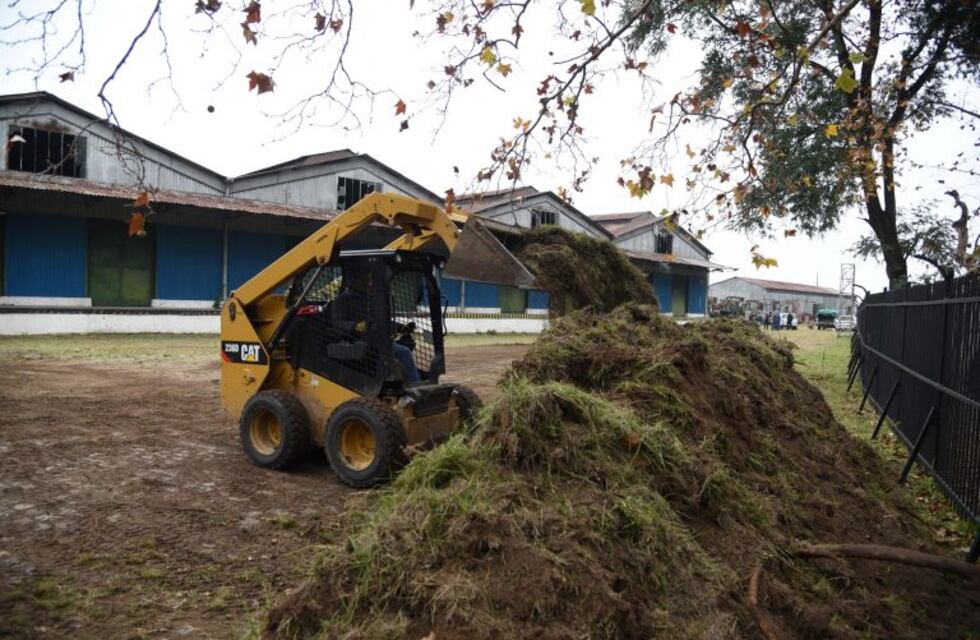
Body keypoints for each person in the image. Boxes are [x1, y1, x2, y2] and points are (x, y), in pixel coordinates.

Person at [330, 272, 421, 384]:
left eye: (369, 280)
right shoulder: (342, 300)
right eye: (366, 281)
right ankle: (407, 384)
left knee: (404, 349)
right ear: (355, 282)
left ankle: (408, 383)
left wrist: (402, 328)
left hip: (375, 340)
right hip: (354, 340)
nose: (369, 283)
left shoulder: (370, 300)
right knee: (396, 353)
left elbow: (380, 322)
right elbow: (337, 322)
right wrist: (356, 326)